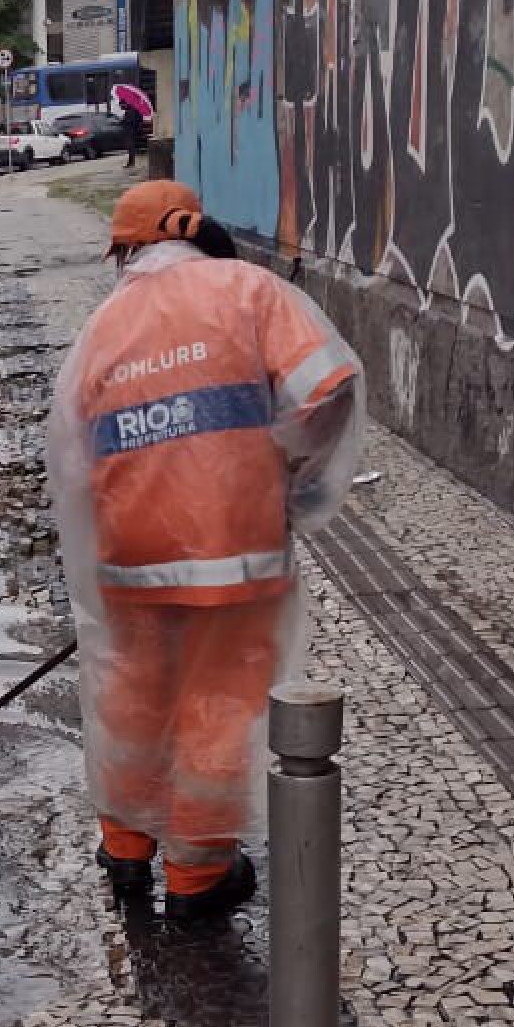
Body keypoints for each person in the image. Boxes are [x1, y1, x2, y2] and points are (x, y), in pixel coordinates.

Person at [47, 181, 362, 921]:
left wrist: (99, 562)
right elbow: (329, 387)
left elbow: (70, 459)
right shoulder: (250, 291)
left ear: (128, 247)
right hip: (233, 557)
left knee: (130, 704)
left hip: (127, 563)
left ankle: (125, 852)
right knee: (214, 712)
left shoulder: (101, 328)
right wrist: (292, 473)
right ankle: (196, 879)